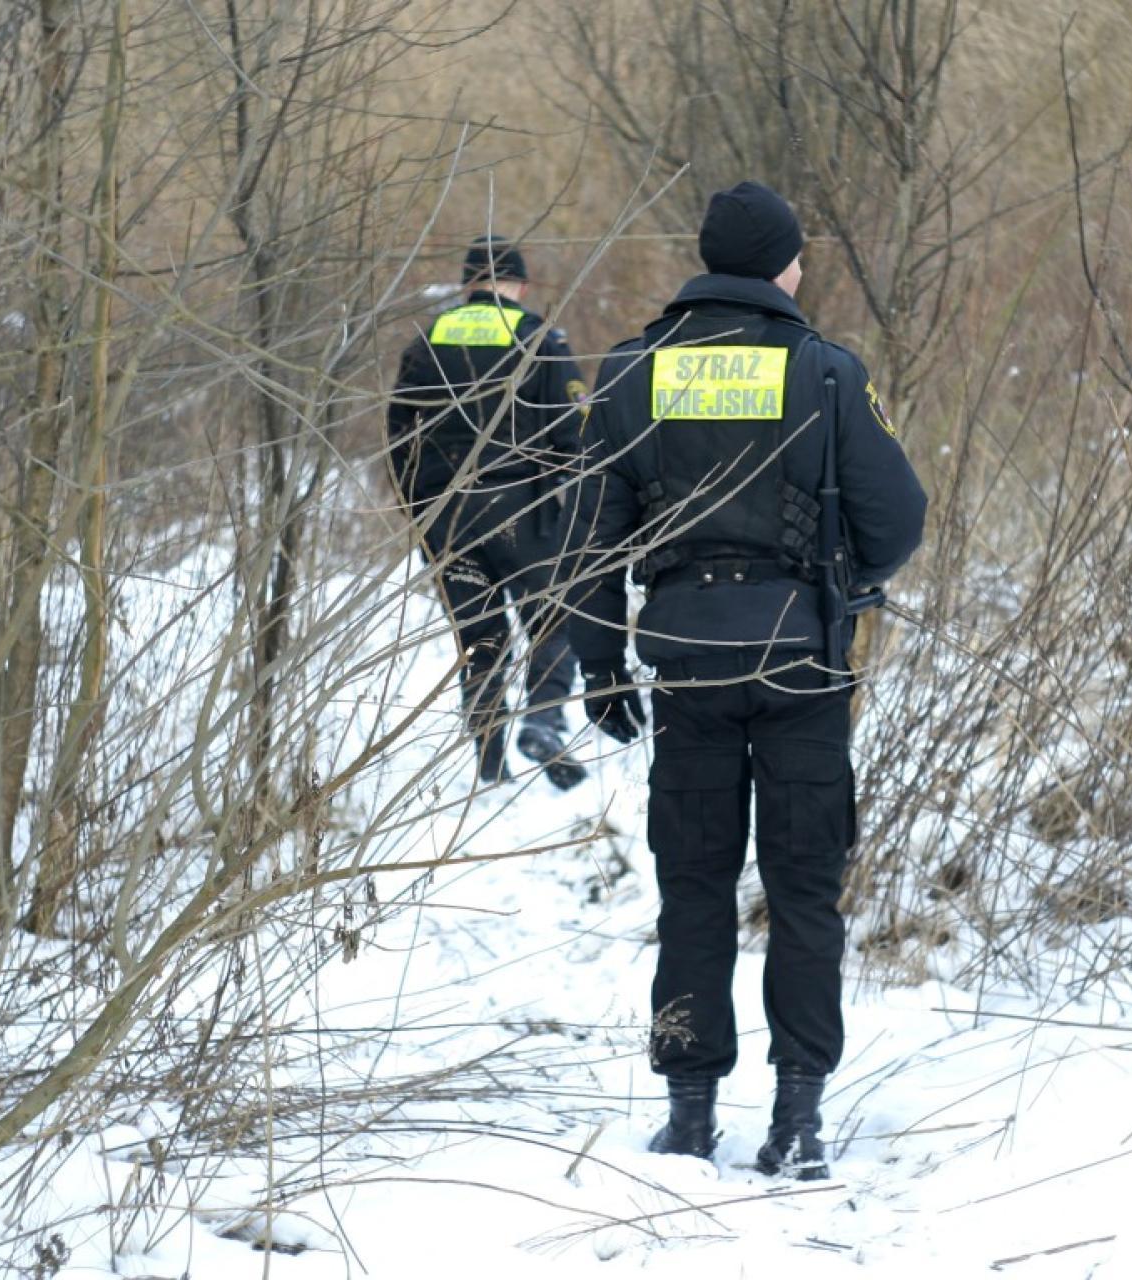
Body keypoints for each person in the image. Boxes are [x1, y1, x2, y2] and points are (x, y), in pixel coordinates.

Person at [565, 181, 928, 1178]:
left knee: (693, 887)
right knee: (804, 893)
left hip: (686, 667)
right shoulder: (824, 373)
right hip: (803, 664)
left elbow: (590, 538)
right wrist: (839, 582)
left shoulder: (633, 372)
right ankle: (798, 1116)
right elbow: (897, 520)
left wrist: (600, 664)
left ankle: (689, 1114)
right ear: (784, 266)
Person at [387, 235, 592, 790]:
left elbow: (398, 440)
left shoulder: (425, 342)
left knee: (480, 639)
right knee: (551, 619)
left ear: (466, 286)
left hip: (447, 517)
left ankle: (489, 759)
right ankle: (544, 722)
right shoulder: (540, 339)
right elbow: (576, 433)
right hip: (522, 510)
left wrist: (423, 514)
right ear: (519, 286)